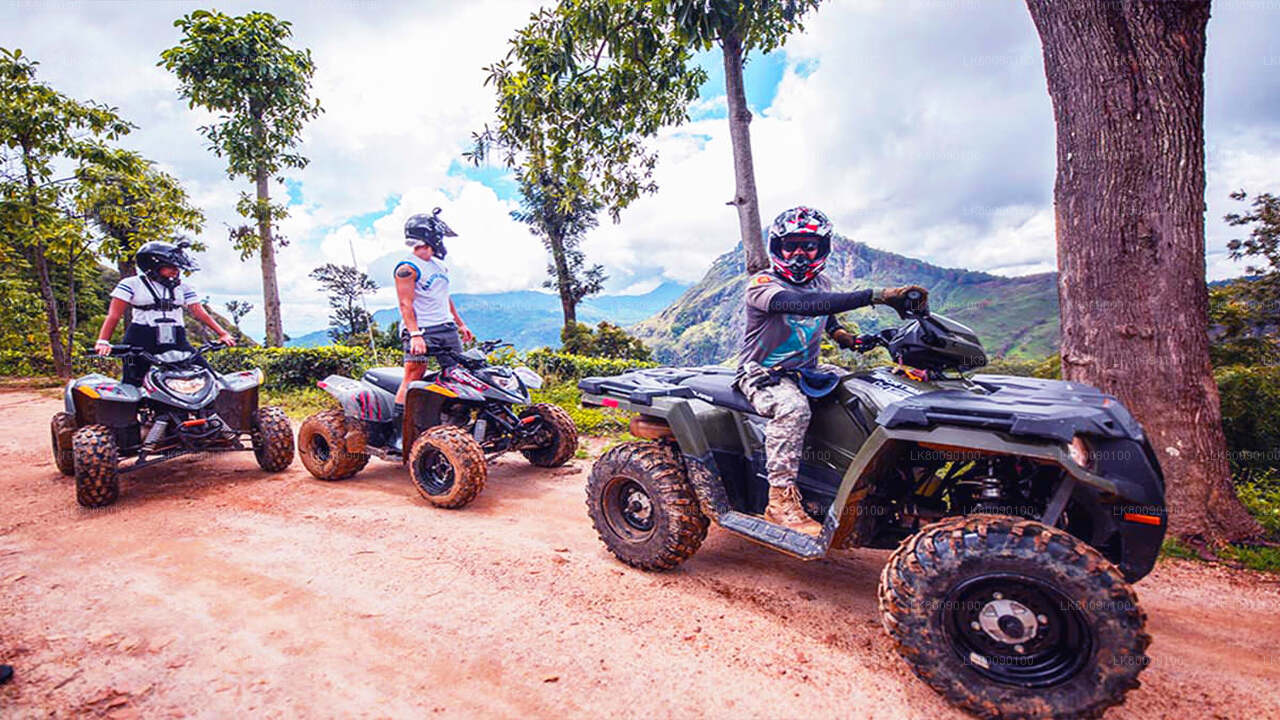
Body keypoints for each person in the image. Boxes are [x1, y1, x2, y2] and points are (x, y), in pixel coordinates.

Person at [737, 206, 927, 534]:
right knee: (793, 408)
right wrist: (877, 296)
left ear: (822, 248)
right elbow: (803, 305)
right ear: (777, 247)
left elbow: (828, 319)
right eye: (791, 246)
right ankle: (780, 500)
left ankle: (860, 472)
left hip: (806, 369)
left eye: (809, 246)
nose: (799, 254)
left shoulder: (821, 282)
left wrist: (847, 338)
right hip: (762, 372)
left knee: (864, 388)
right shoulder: (763, 284)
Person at [95, 240, 235, 385]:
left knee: (209, 376)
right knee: (132, 381)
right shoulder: (131, 284)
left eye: (177, 267)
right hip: (140, 338)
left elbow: (199, 312)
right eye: (170, 266)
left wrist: (222, 333)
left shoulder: (184, 287)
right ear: (152, 265)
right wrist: (103, 341)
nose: (176, 271)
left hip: (176, 337)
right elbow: (114, 315)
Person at [392, 208, 474, 449]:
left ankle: (455, 426)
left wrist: (460, 323)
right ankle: (400, 433)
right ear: (429, 236)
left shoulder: (439, 266)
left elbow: (444, 297)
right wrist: (415, 334)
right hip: (423, 331)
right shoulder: (407, 268)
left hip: (446, 328)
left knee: (458, 374)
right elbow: (405, 304)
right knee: (413, 375)